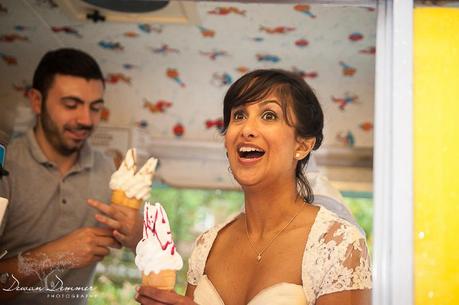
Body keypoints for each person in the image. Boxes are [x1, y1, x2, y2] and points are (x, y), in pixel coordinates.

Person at [136, 69, 372, 305]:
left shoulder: (338, 244)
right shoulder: (208, 245)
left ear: (302, 146)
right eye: (238, 116)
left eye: (269, 115)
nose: (246, 129)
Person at [0, 48, 142, 304]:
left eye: (95, 108)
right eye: (71, 105)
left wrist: (137, 234)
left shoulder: (110, 171)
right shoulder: (5, 165)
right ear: (36, 101)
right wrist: (56, 254)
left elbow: (148, 243)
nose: (86, 120)